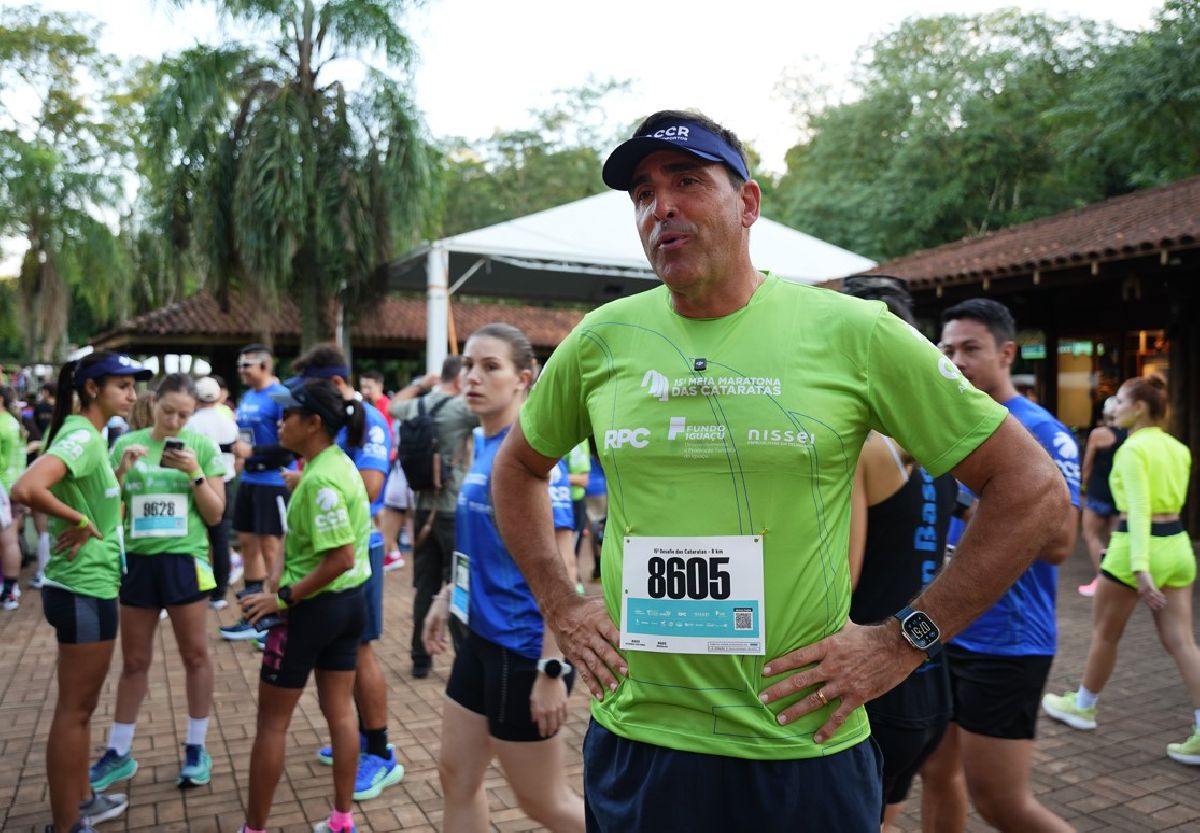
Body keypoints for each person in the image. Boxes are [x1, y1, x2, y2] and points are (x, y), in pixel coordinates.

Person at [488, 109, 1070, 831]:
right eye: (641, 193)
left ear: (749, 204)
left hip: (800, 745)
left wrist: (905, 639)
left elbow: (1033, 488)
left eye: (687, 181)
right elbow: (517, 469)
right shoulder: (604, 338)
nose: (660, 206)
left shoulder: (852, 331)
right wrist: (561, 603)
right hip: (642, 740)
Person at [423, 323, 584, 832]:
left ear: (523, 379)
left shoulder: (536, 461)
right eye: (468, 365)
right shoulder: (481, 444)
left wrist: (552, 668)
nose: (473, 377)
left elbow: (566, 570)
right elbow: (484, 547)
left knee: (546, 804)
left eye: (491, 367)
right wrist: (445, 595)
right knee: (456, 776)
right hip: (477, 641)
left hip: (523, 652)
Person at [931, 298, 1079, 832]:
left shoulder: (1043, 432)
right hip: (944, 630)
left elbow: (1061, 541)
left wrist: (975, 502)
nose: (956, 360)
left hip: (1007, 643)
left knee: (1001, 803)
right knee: (936, 774)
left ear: (1006, 352)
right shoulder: (949, 422)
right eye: (947, 349)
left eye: (971, 348)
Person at [11, 351, 152, 833]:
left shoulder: (89, 436)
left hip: (88, 585)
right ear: (92, 388)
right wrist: (78, 520)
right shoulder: (81, 436)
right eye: (122, 385)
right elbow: (27, 486)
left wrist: (114, 483)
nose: (132, 395)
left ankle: (82, 799)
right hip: (82, 589)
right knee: (74, 711)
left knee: (82, 708)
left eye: (134, 386)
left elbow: (90, 499)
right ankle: (66, 824)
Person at [842, 276, 958, 832]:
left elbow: (840, 581)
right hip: (928, 672)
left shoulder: (866, 449)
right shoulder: (940, 445)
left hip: (874, 673)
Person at [237, 378, 373, 833]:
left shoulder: (320, 480)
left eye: (288, 415)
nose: (278, 422)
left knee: (272, 725)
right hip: (349, 607)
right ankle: (341, 820)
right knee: (340, 712)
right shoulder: (335, 463)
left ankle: (253, 829)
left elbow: (341, 557)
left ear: (314, 423)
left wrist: (282, 598)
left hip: (312, 610)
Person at [1042, 375, 1200, 765]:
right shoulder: (1178, 448)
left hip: (1136, 548)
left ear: (1140, 407)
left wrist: (1141, 567)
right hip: (1178, 545)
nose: (1115, 406)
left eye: (1122, 400)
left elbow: (1140, 508)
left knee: (1105, 635)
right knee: (1182, 641)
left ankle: (1083, 706)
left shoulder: (1132, 448)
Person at [88, 373, 226, 795]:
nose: (176, 421)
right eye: (169, 412)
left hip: (185, 560)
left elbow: (216, 514)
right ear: (154, 404)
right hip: (139, 563)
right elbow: (106, 510)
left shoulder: (200, 446)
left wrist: (196, 474)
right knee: (133, 661)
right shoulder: (126, 444)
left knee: (196, 656)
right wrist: (120, 473)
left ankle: (196, 748)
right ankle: (119, 751)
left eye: (184, 414)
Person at [287, 345, 404, 802]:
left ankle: (379, 752)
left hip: (359, 551)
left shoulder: (370, 420)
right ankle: (356, 741)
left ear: (335, 385)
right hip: (342, 550)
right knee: (349, 653)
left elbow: (373, 486)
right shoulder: (343, 418)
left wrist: (309, 479)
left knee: (362, 651)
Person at [390, 356, 478, 678]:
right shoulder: (459, 409)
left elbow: (393, 406)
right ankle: (463, 662)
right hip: (453, 510)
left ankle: (419, 660)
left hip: (422, 511)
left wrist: (420, 385)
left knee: (425, 588)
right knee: (456, 587)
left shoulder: (417, 405)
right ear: (459, 381)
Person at [224, 344, 293, 640]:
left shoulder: (280, 394)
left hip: (273, 482)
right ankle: (252, 617)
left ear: (265, 366)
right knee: (248, 544)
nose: (241, 371)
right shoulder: (248, 396)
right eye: (239, 365)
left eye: (246, 365)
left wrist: (255, 452)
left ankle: (276, 618)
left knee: (271, 549)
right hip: (250, 480)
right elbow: (243, 436)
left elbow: (290, 446)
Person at [186, 376, 240, 609]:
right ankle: (219, 593)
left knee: (197, 537)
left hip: (199, 484)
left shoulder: (192, 423)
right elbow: (237, 451)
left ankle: (198, 587)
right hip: (225, 482)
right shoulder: (227, 420)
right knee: (220, 540)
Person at [1077, 397, 1126, 597]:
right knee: (1115, 538)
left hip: (1097, 492)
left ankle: (1103, 579)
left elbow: (1088, 464)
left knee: (1091, 535)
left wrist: (1082, 487)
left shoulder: (1098, 434)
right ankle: (1120, 579)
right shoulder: (1129, 436)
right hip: (1118, 494)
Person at [0, 387, 26, 609]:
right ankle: (10, 590)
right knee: (10, 540)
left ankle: (8, 591)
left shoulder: (2, 424)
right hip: (15, 486)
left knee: (8, 541)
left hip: (3, 487)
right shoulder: (13, 422)